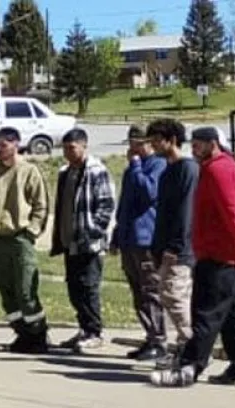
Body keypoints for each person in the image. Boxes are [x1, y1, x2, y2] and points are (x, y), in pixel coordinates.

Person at [152, 127, 235, 387]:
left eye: (199, 145)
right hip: (227, 253)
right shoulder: (228, 167)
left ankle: (188, 368)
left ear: (213, 144)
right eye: (193, 145)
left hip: (218, 253)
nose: (194, 150)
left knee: (205, 314)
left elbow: (233, 212)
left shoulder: (217, 170)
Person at [0, 127, 50, 353]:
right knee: (7, 292)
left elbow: (41, 204)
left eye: (3, 145)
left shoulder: (29, 171)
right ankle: (21, 334)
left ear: (16, 145)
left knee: (26, 291)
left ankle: (38, 334)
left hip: (20, 238)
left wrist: (32, 230)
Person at [50, 129, 116, 352]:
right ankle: (83, 328)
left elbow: (106, 205)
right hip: (70, 242)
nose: (68, 152)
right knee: (74, 287)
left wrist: (94, 231)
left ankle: (94, 331)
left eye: (72, 148)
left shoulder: (96, 171)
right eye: (65, 148)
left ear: (84, 146)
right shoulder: (65, 172)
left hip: (89, 243)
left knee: (89, 287)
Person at [112, 125, 169, 361]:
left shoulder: (157, 165)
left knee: (150, 291)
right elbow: (124, 205)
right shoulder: (130, 171)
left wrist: (136, 166)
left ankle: (160, 340)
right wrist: (117, 235)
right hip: (129, 239)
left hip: (147, 239)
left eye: (140, 143)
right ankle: (149, 336)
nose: (134, 148)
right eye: (132, 143)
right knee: (137, 293)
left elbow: (149, 193)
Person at [146, 118, 198, 361]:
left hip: (179, 249)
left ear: (172, 140)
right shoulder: (166, 170)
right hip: (161, 245)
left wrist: (175, 247)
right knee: (168, 297)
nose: (153, 145)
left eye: (157, 140)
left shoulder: (187, 169)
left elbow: (185, 212)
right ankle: (183, 348)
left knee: (176, 298)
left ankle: (191, 348)